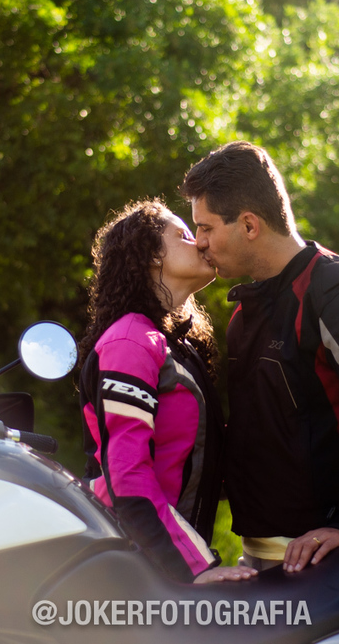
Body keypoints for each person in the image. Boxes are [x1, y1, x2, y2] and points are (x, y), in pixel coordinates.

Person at [180, 141, 339, 573]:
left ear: (248, 224)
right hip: (263, 558)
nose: (199, 243)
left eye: (205, 228)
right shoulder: (246, 308)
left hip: (338, 559)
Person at [78, 199, 257, 584]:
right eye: (185, 235)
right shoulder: (130, 340)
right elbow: (126, 476)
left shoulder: (174, 343)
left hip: (161, 570)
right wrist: (192, 570)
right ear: (151, 257)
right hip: (136, 574)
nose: (202, 244)